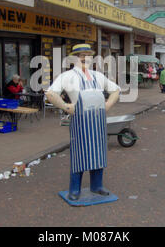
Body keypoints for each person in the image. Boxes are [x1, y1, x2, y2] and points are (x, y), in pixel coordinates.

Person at [46, 44, 120, 201]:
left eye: (88, 55)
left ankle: (97, 186)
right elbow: (51, 94)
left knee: (98, 154)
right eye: (81, 55)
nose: (85, 58)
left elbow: (116, 90)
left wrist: (107, 105)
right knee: (79, 155)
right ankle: (74, 189)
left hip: (99, 123)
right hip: (80, 123)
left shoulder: (98, 76)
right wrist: (66, 106)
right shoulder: (67, 76)